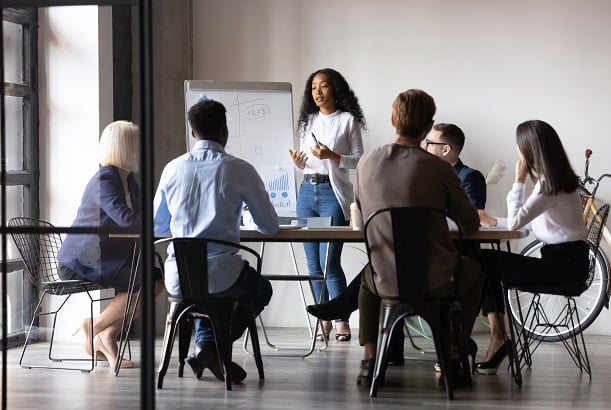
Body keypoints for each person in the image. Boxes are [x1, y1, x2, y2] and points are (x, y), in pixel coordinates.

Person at [307, 122, 486, 364]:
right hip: (425, 266)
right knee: (386, 263)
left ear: (446, 149)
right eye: (426, 140)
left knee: (377, 271)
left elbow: (470, 219)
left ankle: (371, 355)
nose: (425, 146)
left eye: (431, 143)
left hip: (436, 263)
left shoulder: (464, 175)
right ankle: (437, 352)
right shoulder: (425, 171)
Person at [354, 89, 483, 387]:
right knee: (475, 271)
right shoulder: (439, 168)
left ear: (392, 119)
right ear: (428, 126)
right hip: (437, 280)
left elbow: (362, 214)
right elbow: (470, 222)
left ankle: (370, 360)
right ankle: (452, 357)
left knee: (367, 277)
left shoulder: (366, 163)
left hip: (386, 279)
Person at [153, 99, 279, 383]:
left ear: (193, 132)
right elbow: (270, 227)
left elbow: (157, 225)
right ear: (224, 132)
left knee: (199, 294)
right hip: (224, 277)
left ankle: (205, 347)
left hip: (179, 278)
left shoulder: (172, 168)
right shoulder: (239, 169)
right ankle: (210, 347)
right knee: (260, 289)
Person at [475, 120, 589, 375]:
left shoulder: (549, 184)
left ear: (528, 150)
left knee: (482, 261)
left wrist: (518, 180)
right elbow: (530, 224)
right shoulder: (554, 181)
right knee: (485, 261)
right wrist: (495, 222)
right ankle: (498, 338)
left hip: (562, 268)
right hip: (566, 263)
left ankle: (497, 338)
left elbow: (518, 221)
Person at [57, 120, 164, 370]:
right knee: (143, 281)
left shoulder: (130, 181)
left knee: (157, 280)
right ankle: (95, 329)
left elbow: (139, 219)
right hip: (81, 261)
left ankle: (104, 333)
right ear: (125, 147)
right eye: (137, 144)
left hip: (106, 258)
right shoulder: (105, 180)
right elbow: (126, 221)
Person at [288, 68, 366, 342]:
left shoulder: (347, 121)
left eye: (323, 86)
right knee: (312, 264)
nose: (317, 92)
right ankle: (324, 318)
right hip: (307, 193)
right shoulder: (306, 121)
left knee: (329, 262)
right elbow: (305, 161)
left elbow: (359, 160)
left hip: (332, 194)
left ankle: (341, 318)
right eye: (313, 88)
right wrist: (298, 163)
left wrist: (332, 155)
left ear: (335, 89)